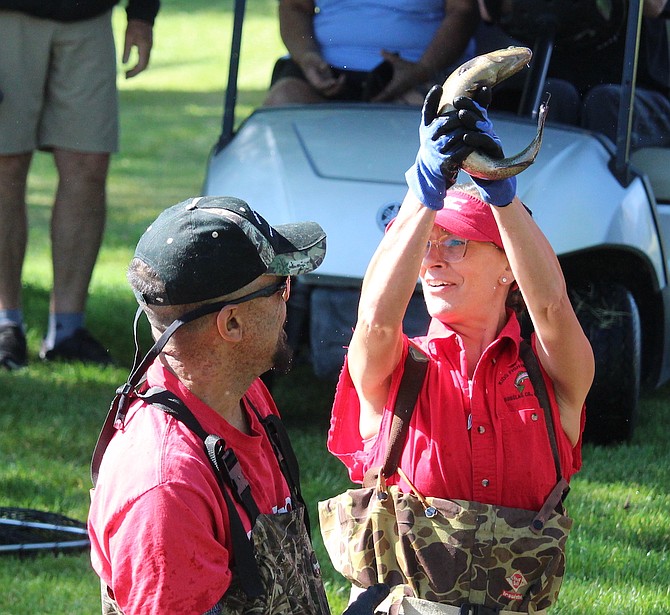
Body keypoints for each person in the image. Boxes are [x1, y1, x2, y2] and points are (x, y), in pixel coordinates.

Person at [325, 85, 595, 609]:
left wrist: (502, 194)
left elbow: (554, 308)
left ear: (507, 268)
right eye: (426, 247)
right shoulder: (398, 367)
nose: (432, 262)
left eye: (455, 242)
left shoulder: (546, 376)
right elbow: (375, 322)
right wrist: (422, 191)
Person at [88, 195, 389, 614]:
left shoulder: (243, 393)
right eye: (281, 286)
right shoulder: (167, 491)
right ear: (231, 324)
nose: (289, 300)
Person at [0, 0, 160, 370]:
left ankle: (67, 331)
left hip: (88, 16)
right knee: (5, 164)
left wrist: (141, 14)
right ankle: (6, 323)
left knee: (88, 164)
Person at [475, 0, 670, 148]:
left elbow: (655, 6)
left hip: (642, 97)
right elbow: (490, 11)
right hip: (565, 84)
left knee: (605, 101)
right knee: (552, 95)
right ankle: (532, 194)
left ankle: (601, 193)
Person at [263, 0, 480, 106]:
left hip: (419, 73)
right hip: (323, 72)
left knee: (429, 113)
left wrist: (424, 69)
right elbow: (294, 7)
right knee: (284, 99)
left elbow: (463, 11)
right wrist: (306, 56)